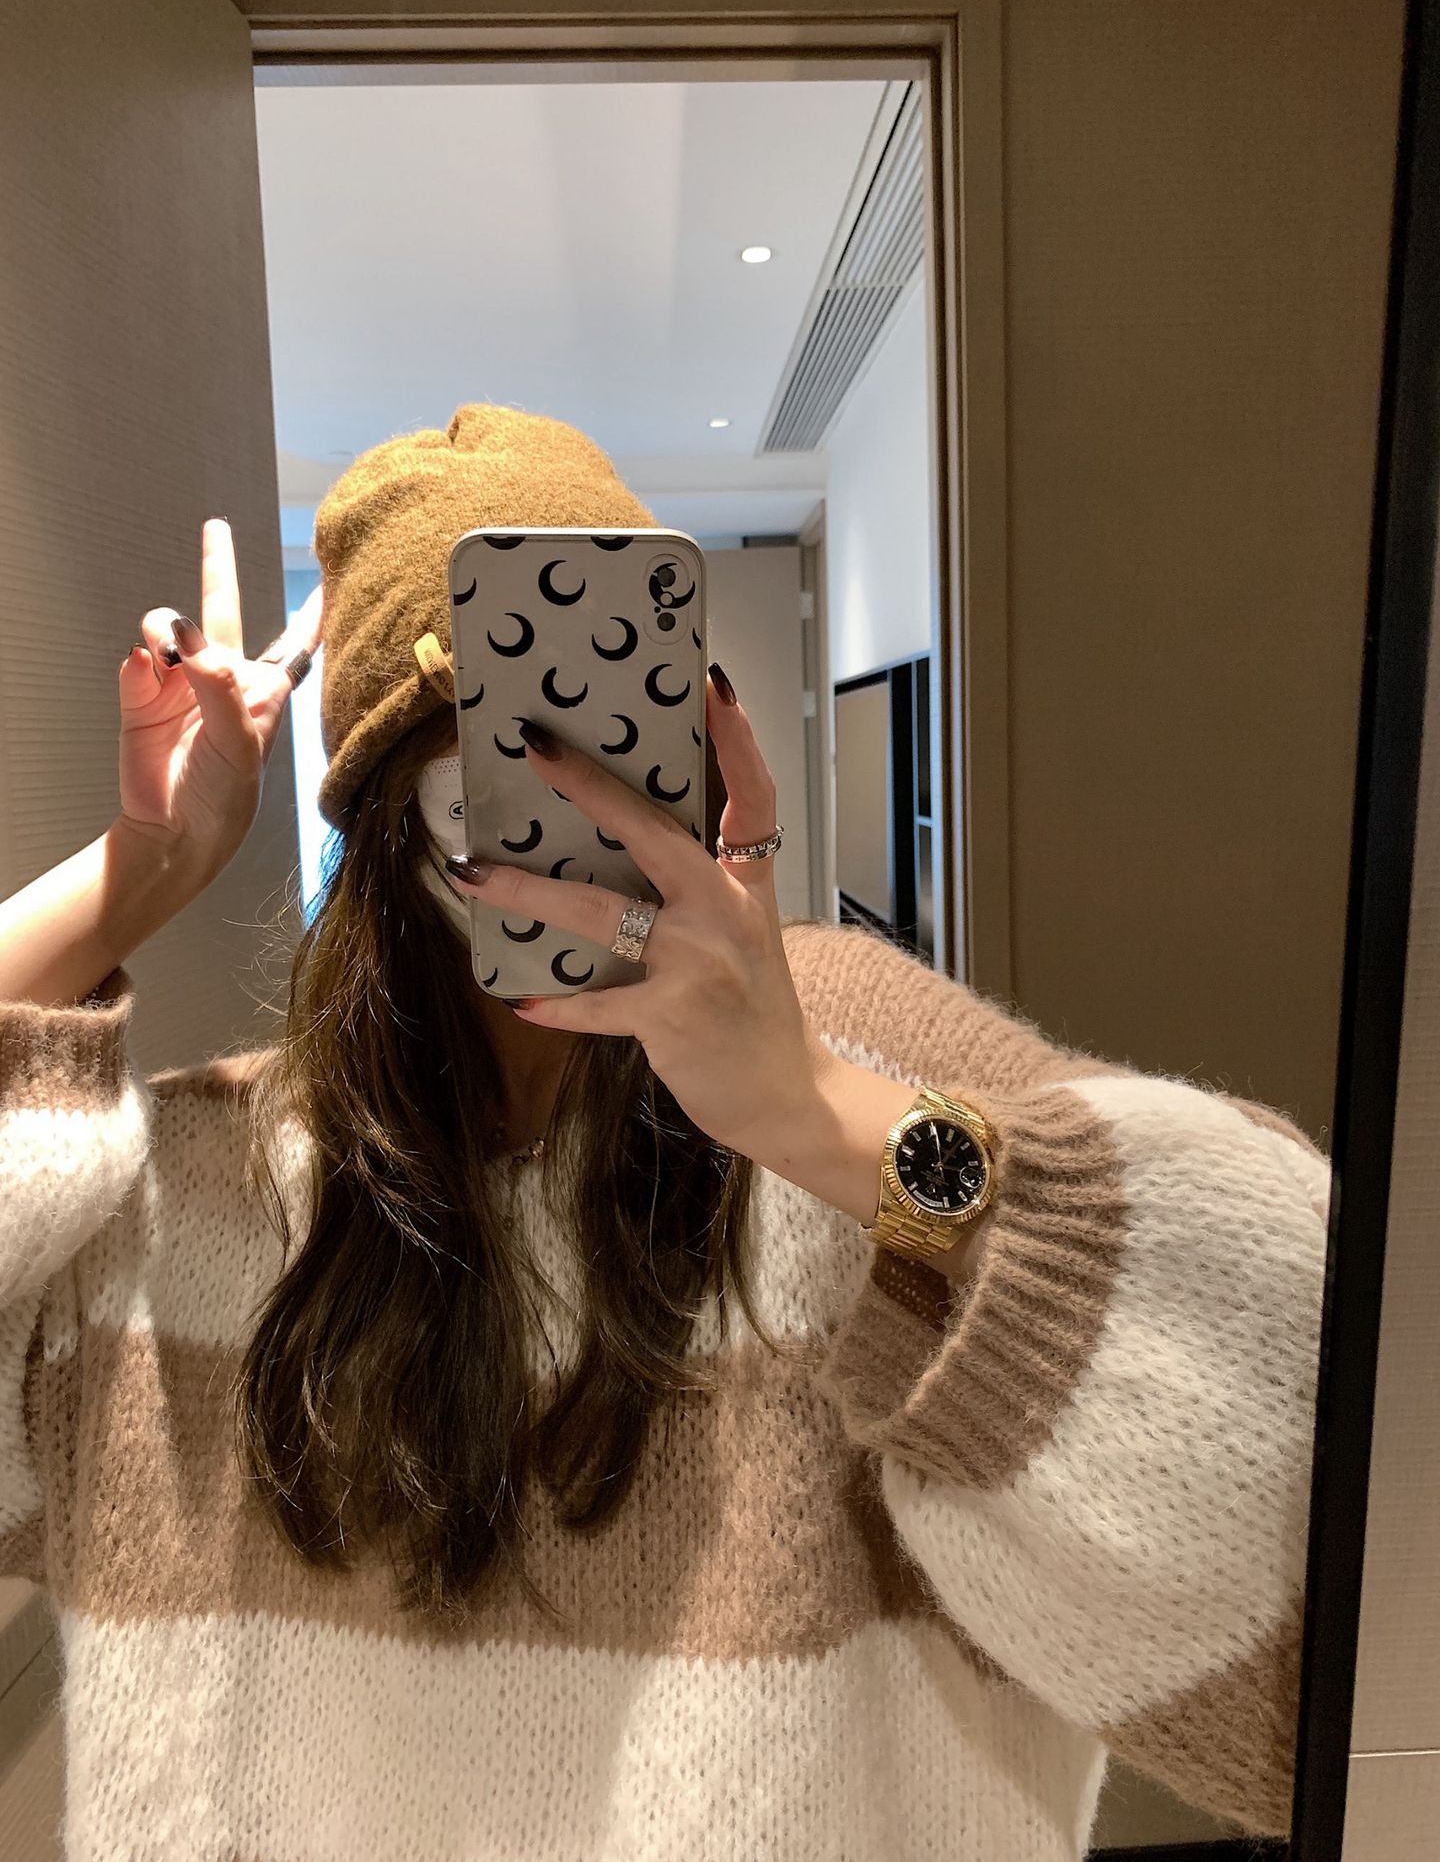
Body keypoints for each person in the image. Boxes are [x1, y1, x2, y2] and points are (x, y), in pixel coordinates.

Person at [0, 403, 1328, 1862]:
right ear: (388, 824)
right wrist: (142, 870)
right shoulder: (215, 1183)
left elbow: (1307, 1468)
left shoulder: (849, 1056)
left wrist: (826, 1121)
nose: (566, 811)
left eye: (614, 738)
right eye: (494, 771)